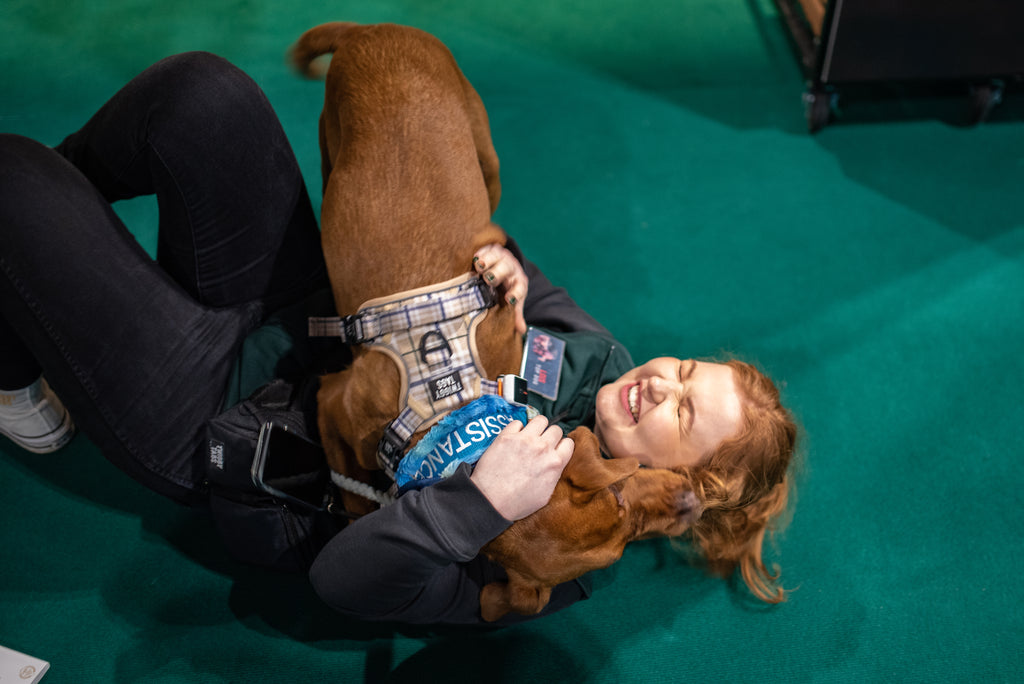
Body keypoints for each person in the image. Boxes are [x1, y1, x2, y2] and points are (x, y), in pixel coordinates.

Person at [0, 52, 797, 626]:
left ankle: (14, 353)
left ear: (680, 488)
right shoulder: (604, 359)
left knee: (15, 187)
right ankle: (24, 284)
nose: (663, 385)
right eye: (687, 370)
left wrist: (476, 505)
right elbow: (510, 256)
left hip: (235, 419)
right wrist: (504, 270)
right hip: (319, 311)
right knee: (202, 96)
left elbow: (346, 586)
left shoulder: (563, 553)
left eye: (685, 418)